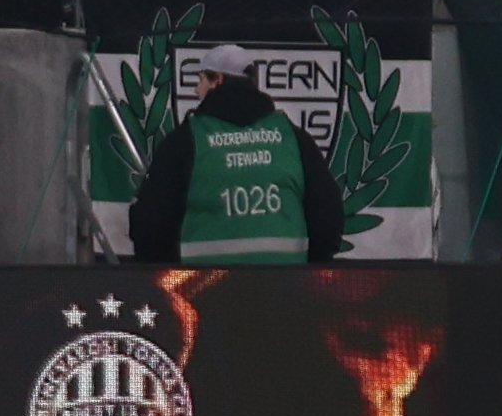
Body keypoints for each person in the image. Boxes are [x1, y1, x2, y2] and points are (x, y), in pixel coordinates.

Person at [122, 46, 347, 265]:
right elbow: (327, 215)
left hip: (202, 284)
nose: (196, 90)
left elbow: (153, 222)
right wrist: (312, 267)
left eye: (201, 80)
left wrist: (166, 269)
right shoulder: (292, 137)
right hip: (287, 282)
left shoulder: (186, 141)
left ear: (218, 80)